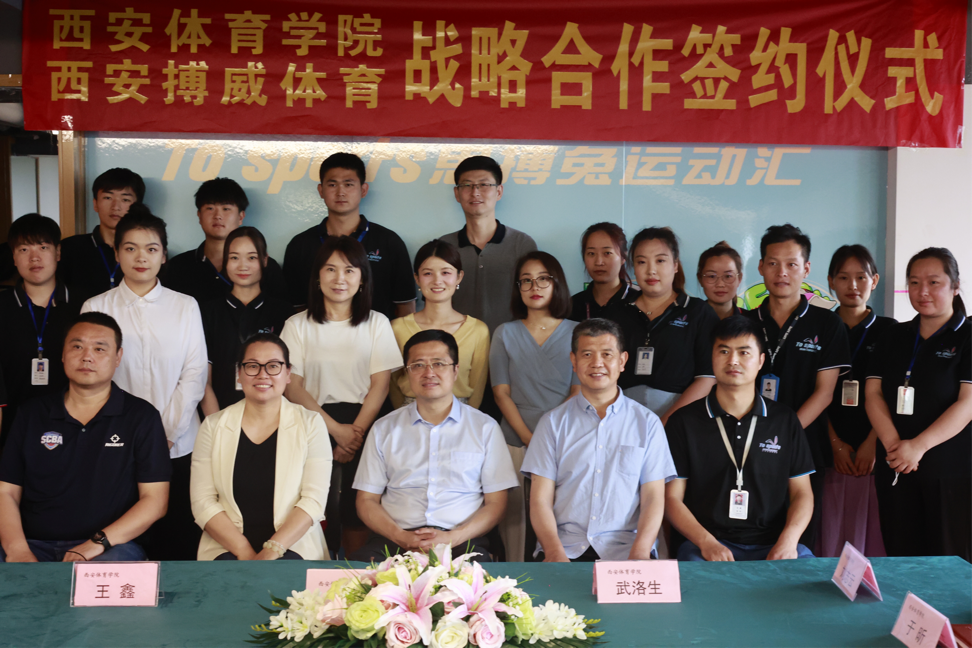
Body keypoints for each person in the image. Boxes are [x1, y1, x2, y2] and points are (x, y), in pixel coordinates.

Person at [81, 205, 208, 561]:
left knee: (178, 539)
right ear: (116, 253)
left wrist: (164, 434)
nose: (141, 257)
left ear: (163, 256)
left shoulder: (185, 306)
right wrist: (137, 436)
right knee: (120, 539)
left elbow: (195, 373)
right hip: (114, 442)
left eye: (151, 249)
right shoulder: (96, 307)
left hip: (179, 443)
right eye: (130, 248)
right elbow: (91, 379)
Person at [0, 312, 171, 562]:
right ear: (62, 353)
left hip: (111, 546)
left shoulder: (141, 416)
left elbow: (155, 501)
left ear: (118, 357)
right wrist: (17, 549)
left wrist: (96, 543)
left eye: (99, 349)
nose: (87, 356)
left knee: (98, 583)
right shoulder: (31, 414)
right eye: (77, 346)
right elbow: (6, 492)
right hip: (32, 544)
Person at [280, 236, 402, 558]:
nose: (339, 279)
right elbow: (293, 386)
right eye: (330, 269)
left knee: (357, 509)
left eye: (349, 270)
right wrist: (335, 431)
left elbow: (381, 384)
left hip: (365, 425)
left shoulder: (377, 323)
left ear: (362, 279)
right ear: (317, 277)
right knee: (314, 506)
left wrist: (355, 434)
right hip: (313, 424)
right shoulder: (297, 325)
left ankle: (355, 576)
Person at [352, 330, 518, 562]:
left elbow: (497, 504)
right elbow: (366, 500)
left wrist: (453, 537)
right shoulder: (384, 428)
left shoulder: (485, 427)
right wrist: (401, 537)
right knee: (357, 578)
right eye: (418, 365)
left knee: (477, 581)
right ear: (407, 372)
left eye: (439, 363)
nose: (429, 373)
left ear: (455, 370)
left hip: (461, 540)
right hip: (395, 538)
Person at [522, 318, 676, 562]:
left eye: (606, 354)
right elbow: (540, 499)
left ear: (622, 361)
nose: (597, 363)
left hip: (627, 550)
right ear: (573, 361)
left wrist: (640, 552)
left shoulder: (647, 423)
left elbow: (653, 498)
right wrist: (553, 552)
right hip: (565, 549)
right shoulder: (552, 423)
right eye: (587, 354)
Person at [664, 316, 816, 561]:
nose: (733, 361)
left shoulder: (784, 419)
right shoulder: (684, 422)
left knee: (810, 576)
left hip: (774, 543)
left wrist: (788, 541)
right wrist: (706, 543)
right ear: (711, 357)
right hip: (705, 545)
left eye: (744, 352)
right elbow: (671, 498)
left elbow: (802, 493)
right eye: (724, 351)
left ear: (761, 361)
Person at [744, 224, 850, 548]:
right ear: (761, 267)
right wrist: (757, 436)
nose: (782, 272)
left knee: (797, 541)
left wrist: (782, 433)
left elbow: (825, 393)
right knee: (747, 536)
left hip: (803, 447)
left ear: (806, 269)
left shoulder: (827, 323)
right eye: (773, 263)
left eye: (791, 264)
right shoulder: (744, 323)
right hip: (746, 444)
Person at [866, 247, 972, 560]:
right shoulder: (893, 335)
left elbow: (967, 403)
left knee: (948, 562)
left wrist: (918, 447)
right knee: (901, 559)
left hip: (951, 473)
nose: (922, 291)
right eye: (914, 283)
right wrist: (895, 447)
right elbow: (873, 394)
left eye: (933, 282)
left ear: (955, 286)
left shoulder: (968, 337)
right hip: (896, 467)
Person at [190, 333, 332, 561]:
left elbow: (313, 501)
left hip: (292, 543)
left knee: (287, 580)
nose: (263, 374)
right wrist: (246, 553)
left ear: (288, 373)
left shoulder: (311, 423)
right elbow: (203, 501)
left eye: (273, 366)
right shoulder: (213, 425)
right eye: (252, 366)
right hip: (229, 545)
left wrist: (271, 551)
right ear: (239, 374)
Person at [491, 251, 580, 561]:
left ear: (557, 284)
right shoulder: (505, 332)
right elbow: (501, 393)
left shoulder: (577, 331)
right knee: (515, 521)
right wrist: (531, 439)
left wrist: (546, 438)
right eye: (526, 281)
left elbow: (577, 391)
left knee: (564, 516)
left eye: (543, 279)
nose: (534, 287)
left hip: (565, 437)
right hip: (515, 439)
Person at [820, 245, 894, 558]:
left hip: (873, 450)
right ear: (830, 281)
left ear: (874, 280)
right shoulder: (820, 327)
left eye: (861, 277)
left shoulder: (892, 331)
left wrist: (873, 444)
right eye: (843, 277)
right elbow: (810, 393)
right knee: (828, 532)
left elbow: (891, 395)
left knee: (871, 536)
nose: (853, 285)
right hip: (826, 447)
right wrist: (835, 445)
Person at [283, 152, 415, 319]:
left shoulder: (389, 242)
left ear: (363, 190)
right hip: (315, 334)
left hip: (376, 335)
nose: (341, 192)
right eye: (332, 184)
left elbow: (405, 306)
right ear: (321, 190)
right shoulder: (300, 245)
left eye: (348, 184)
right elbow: (294, 308)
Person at [610, 227, 719, 424]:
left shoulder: (698, 312)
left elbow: (707, 377)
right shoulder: (617, 312)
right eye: (641, 262)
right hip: (622, 419)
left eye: (660, 261)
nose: (651, 270)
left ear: (675, 265)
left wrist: (665, 423)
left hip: (681, 420)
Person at [0, 214, 80, 446]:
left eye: (43, 247)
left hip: (75, 427)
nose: (34, 257)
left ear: (58, 253)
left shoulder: (84, 305)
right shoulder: (3, 306)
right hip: (13, 427)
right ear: (14, 257)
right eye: (24, 249)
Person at [199, 227, 293, 414]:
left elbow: (290, 379)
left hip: (274, 416)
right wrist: (217, 423)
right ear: (225, 261)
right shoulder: (206, 313)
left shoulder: (284, 313)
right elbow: (203, 381)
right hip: (219, 414)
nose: (243, 266)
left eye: (252, 258)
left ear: (265, 260)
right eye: (234, 258)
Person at [439, 155, 537, 334]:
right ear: (457, 193)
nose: (475, 192)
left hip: (509, 342)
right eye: (467, 185)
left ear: (499, 191)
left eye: (484, 184)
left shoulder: (522, 244)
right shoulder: (444, 246)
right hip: (456, 343)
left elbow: (535, 301)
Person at [389, 239, 490, 409]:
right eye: (428, 273)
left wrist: (466, 420)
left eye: (445, 273)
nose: (437, 281)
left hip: (462, 413)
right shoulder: (397, 328)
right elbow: (392, 383)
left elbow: (478, 387)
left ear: (459, 277)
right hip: (409, 412)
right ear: (417, 278)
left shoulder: (478, 330)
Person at [163, 177, 289, 305]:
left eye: (226, 209)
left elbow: (281, 311)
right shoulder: (178, 266)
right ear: (199, 216)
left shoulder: (264, 266)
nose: (218, 216)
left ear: (241, 216)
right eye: (210, 208)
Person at [59, 168, 144, 304]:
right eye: (107, 198)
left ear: (138, 206)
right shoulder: (69, 248)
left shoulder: (146, 252)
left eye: (125, 199)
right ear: (95, 204)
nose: (115, 207)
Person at [569, 222, 638, 322]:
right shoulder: (572, 306)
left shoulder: (639, 303)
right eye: (591, 253)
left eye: (607, 253)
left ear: (623, 257)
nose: (599, 262)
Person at [698, 241, 745, 319]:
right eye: (712, 276)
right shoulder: (689, 320)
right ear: (700, 279)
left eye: (728, 276)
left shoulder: (752, 321)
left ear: (739, 278)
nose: (720, 284)